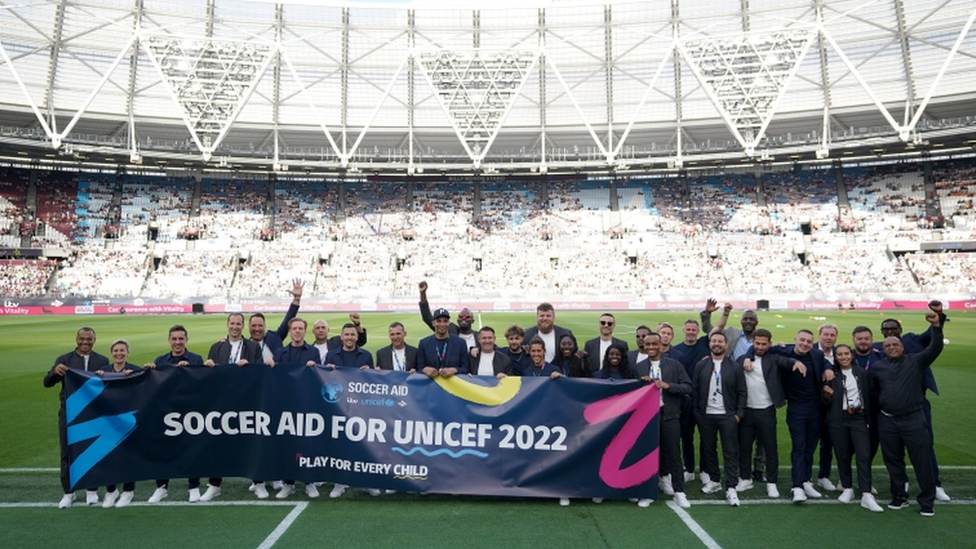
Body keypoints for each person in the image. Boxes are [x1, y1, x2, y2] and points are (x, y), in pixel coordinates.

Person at [871, 309, 945, 517]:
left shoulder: (916, 361)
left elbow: (935, 348)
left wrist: (937, 327)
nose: (892, 347)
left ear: (902, 346)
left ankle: (927, 500)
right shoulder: (877, 367)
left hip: (913, 419)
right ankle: (899, 496)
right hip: (888, 421)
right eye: (888, 345)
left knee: (921, 460)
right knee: (893, 461)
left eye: (895, 344)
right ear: (882, 348)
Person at [199, 313, 265, 502]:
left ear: (243, 326)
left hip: (247, 401)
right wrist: (208, 365)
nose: (235, 327)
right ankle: (214, 485)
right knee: (219, 443)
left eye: (238, 324)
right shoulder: (217, 346)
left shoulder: (252, 347)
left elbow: (259, 373)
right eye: (232, 323)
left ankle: (258, 482)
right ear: (227, 325)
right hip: (222, 402)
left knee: (251, 442)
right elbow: (209, 375)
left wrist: (250, 366)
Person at [43, 327, 109, 509]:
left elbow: (110, 385)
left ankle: (91, 490)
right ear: (76, 339)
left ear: (94, 340)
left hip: (93, 414)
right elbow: (47, 383)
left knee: (92, 450)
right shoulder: (64, 359)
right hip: (69, 414)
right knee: (67, 453)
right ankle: (68, 492)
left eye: (89, 339)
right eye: (82, 339)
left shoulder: (102, 360)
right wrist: (55, 372)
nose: (85, 342)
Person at [737, 329, 807, 498]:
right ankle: (745, 478)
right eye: (757, 343)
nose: (760, 347)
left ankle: (772, 482)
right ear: (753, 342)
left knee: (770, 448)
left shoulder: (773, 358)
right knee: (744, 447)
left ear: (769, 343)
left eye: (764, 344)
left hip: (766, 410)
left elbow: (785, 360)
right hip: (746, 411)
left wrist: (795, 363)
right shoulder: (742, 360)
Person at [768, 329, 831, 503]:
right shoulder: (783, 351)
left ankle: (806, 480)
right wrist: (792, 361)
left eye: (809, 342)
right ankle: (797, 486)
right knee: (799, 446)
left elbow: (826, 362)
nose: (805, 344)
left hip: (816, 407)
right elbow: (763, 352)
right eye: (802, 340)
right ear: (795, 339)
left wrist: (827, 369)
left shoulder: (816, 355)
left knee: (810, 447)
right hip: (796, 408)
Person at [146, 325, 205, 504]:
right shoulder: (161, 360)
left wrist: (189, 371)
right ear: (169, 340)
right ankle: (162, 487)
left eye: (181, 339)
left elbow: (203, 383)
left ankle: (194, 486)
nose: (177, 342)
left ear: (186, 340)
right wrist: (149, 372)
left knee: (191, 448)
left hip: (189, 411)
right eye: (174, 339)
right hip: (166, 412)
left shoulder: (196, 358)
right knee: (163, 449)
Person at [821, 344, 883, 512]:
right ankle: (847, 488)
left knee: (863, 454)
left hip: (859, 418)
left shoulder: (863, 374)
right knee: (842, 455)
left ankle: (866, 494)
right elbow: (824, 401)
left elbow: (873, 395)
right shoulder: (830, 375)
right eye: (839, 354)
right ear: (835, 357)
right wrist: (826, 396)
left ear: (852, 354)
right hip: (838, 419)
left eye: (846, 353)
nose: (844, 357)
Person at [634, 332, 692, 509]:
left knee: (673, 453)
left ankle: (679, 491)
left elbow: (688, 386)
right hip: (647, 418)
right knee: (647, 455)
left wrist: (669, 386)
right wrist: (641, 383)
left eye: (654, 344)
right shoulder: (639, 367)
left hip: (670, 416)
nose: (651, 347)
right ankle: (648, 491)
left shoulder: (674, 365)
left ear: (661, 345)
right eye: (647, 345)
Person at [270, 318, 324, 499]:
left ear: (305, 331)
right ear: (290, 331)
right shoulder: (280, 352)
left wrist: (315, 368)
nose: (297, 331)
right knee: (287, 444)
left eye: (301, 328)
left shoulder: (313, 352)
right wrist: (270, 367)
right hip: (285, 405)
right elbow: (274, 377)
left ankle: (309, 482)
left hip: (306, 404)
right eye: (294, 328)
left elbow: (318, 378)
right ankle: (289, 483)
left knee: (307, 443)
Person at [691, 332, 746, 507]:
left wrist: (738, 414)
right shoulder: (702, 365)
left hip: (727, 415)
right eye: (714, 341)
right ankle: (715, 480)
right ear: (710, 344)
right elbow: (696, 389)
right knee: (708, 450)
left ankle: (731, 487)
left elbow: (741, 392)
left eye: (720, 341)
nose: (717, 344)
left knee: (730, 451)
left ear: (726, 345)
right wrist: (698, 412)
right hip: (706, 415)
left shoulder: (734, 367)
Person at [325, 323, 376, 498]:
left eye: (352, 335)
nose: (349, 338)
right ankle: (339, 482)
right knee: (340, 444)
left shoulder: (366, 355)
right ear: (341, 336)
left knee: (363, 444)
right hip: (338, 406)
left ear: (356, 336)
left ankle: (367, 481)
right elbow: (324, 381)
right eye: (346, 334)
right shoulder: (331, 355)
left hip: (360, 407)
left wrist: (370, 372)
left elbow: (373, 383)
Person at [93, 339, 144, 508]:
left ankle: (128, 491)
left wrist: (137, 376)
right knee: (109, 455)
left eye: (122, 350)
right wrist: (96, 378)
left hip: (129, 420)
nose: (119, 353)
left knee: (128, 456)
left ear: (128, 352)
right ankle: (111, 491)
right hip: (109, 421)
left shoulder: (135, 370)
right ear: (111, 353)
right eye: (115, 350)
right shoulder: (103, 371)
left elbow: (146, 389)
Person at [248, 278, 304, 362]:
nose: (257, 329)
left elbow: (288, 319)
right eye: (254, 326)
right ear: (248, 327)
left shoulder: (274, 338)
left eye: (260, 325)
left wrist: (296, 299)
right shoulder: (244, 345)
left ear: (265, 326)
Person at [814, 323, 840, 492]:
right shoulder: (809, 350)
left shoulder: (840, 353)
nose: (829, 338)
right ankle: (803, 477)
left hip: (832, 405)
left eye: (832, 335)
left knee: (828, 442)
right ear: (820, 335)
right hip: (811, 405)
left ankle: (824, 476)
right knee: (807, 442)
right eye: (826, 334)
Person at [415, 308, 470, 378]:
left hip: (452, 387)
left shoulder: (460, 343)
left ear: (449, 323)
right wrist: (425, 369)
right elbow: (419, 368)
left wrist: (454, 370)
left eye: (445, 321)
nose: (442, 324)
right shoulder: (424, 343)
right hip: (430, 387)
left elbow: (466, 368)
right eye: (438, 321)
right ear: (433, 323)